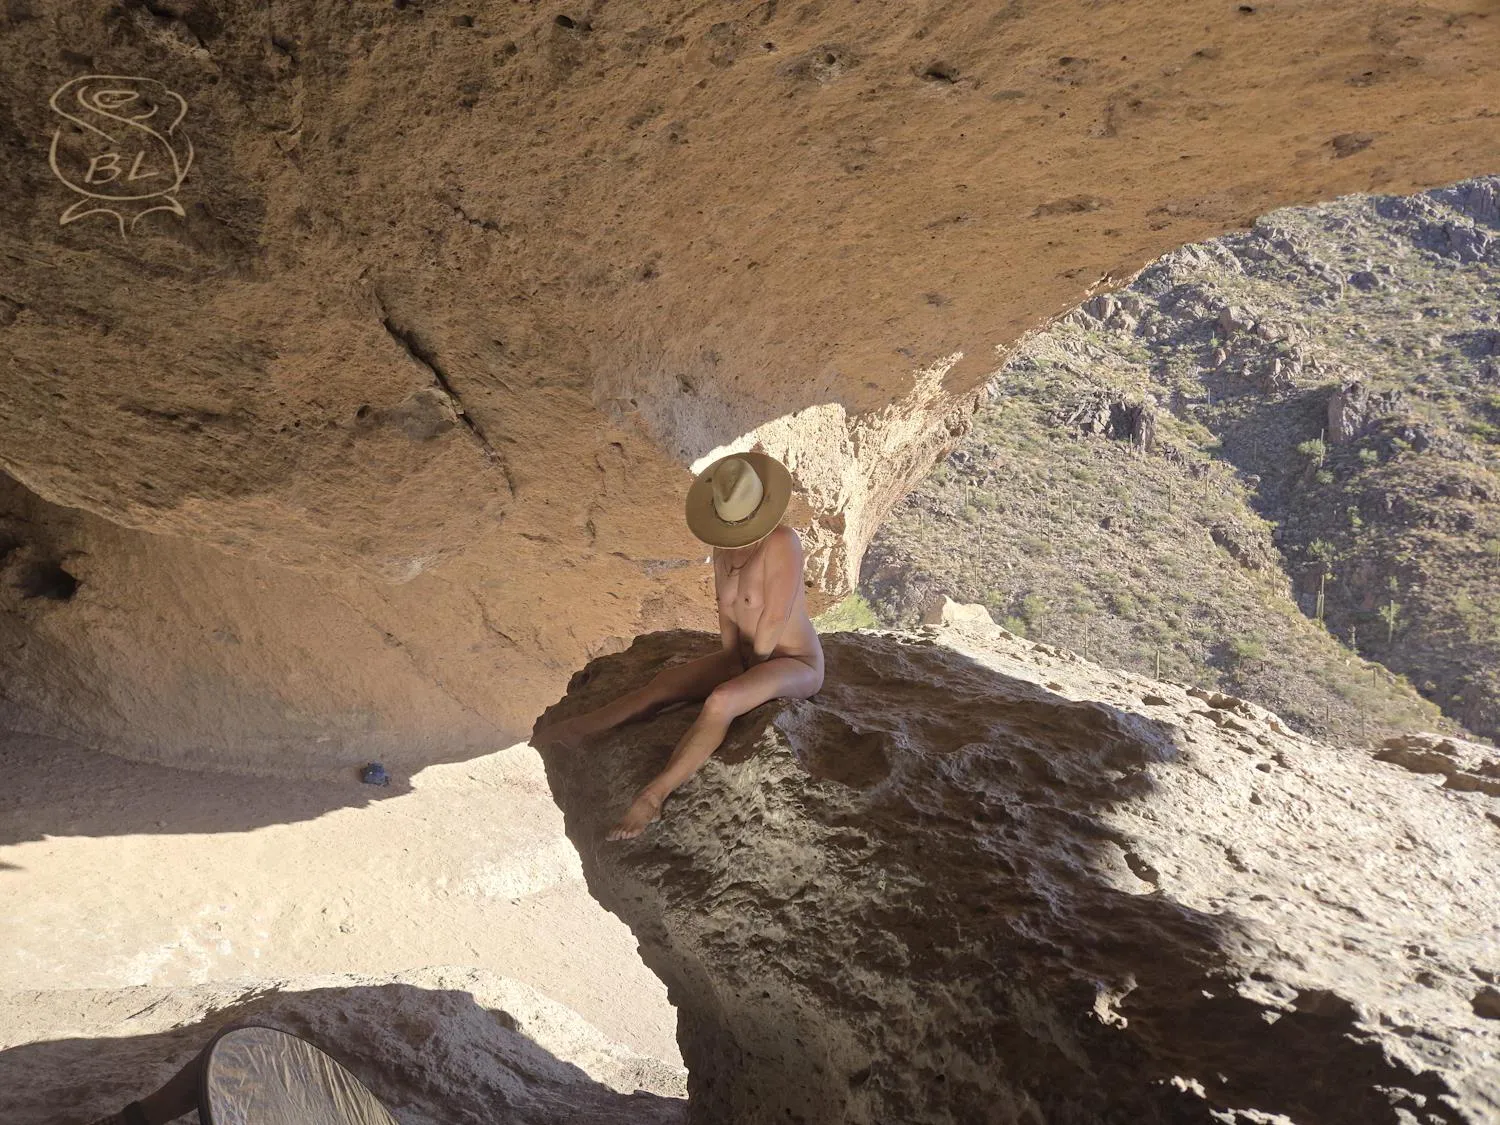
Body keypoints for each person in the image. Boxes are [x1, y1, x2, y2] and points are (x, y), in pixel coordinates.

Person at [537, 451, 824, 840]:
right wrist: (729, 657)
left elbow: (775, 616)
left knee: (721, 700)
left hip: (793, 660)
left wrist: (749, 671)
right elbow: (725, 608)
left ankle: (652, 798)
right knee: (664, 684)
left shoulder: (782, 541)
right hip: (744, 655)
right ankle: (577, 729)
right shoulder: (725, 545)